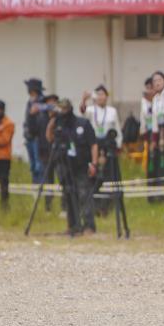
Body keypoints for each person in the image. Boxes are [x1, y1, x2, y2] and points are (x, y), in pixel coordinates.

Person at [46, 99, 98, 235]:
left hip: (81, 165)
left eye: (64, 109)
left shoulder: (82, 123)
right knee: (68, 195)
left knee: (84, 195)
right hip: (64, 165)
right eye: (60, 109)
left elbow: (93, 144)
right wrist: (52, 122)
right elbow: (50, 138)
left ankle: (89, 226)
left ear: (69, 109)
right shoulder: (58, 125)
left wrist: (94, 163)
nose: (62, 112)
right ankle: (73, 225)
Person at [23, 78, 47, 183]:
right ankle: (35, 185)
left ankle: (41, 186)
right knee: (33, 166)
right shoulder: (30, 102)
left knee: (39, 165)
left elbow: (41, 121)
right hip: (30, 138)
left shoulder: (42, 102)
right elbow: (27, 120)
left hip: (38, 139)